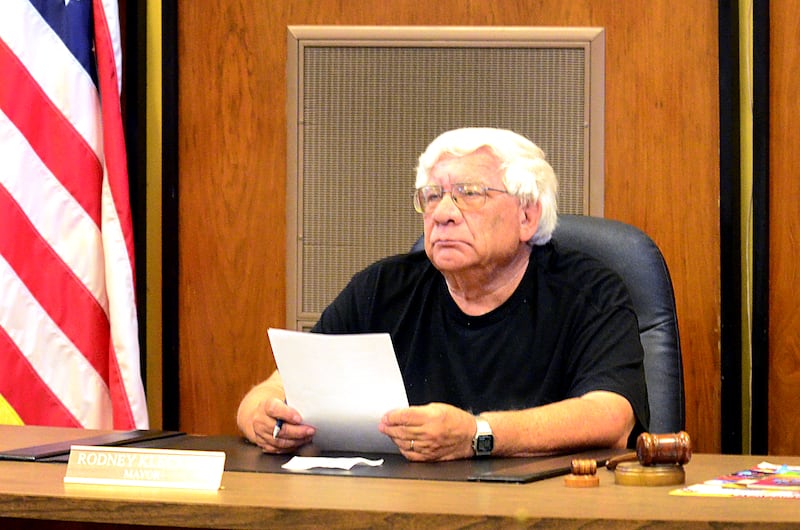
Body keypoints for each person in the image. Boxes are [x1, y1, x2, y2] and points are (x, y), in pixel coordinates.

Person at [237, 127, 649, 462]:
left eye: (470, 193)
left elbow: (611, 416)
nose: (444, 213)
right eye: (433, 196)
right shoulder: (382, 288)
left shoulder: (589, 291)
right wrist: (261, 413)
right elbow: (280, 386)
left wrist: (478, 435)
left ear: (527, 215)